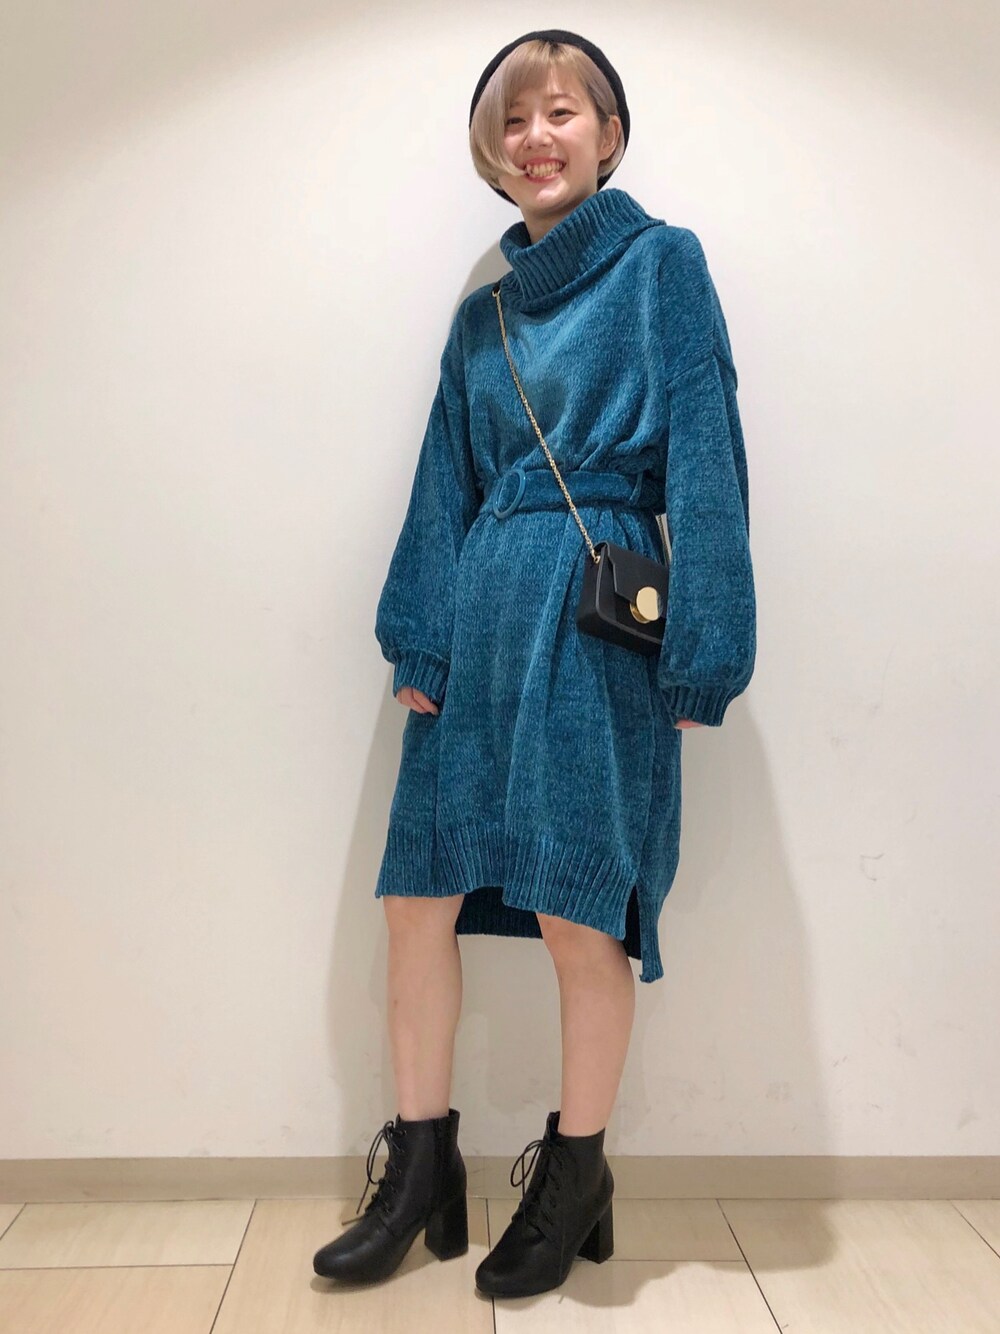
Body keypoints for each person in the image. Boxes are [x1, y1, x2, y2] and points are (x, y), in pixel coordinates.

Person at [314, 28, 756, 1299]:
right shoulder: (484, 318)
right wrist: (419, 632)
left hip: (594, 621)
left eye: (560, 112)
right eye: (511, 121)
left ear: (608, 135)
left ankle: (575, 1173)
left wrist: (704, 649)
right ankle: (420, 1170)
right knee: (416, 897)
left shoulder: (662, 265)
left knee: (577, 905)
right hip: (478, 621)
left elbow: (708, 458)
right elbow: (441, 483)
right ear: (490, 153)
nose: (535, 138)